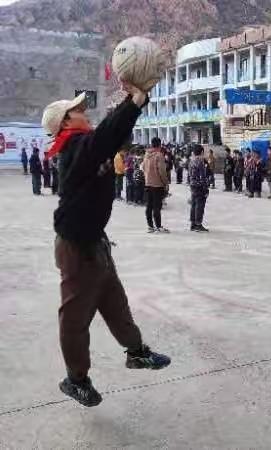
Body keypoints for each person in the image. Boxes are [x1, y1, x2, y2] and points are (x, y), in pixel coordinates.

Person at [41, 86, 171, 407]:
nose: (85, 112)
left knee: (115, 303)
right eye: (78, 110)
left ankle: (137, 353)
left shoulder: (87, 145)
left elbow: (113, 137)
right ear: (66, 122)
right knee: (74, 317)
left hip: (95, 240)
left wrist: (131, 103)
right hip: (76, 245)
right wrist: (134, 101)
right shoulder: (73, 147)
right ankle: (76, 380)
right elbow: (104, 139)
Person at [143, 137, 170, 233]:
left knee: (149, 205)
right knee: (157, 206)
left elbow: (143, 167)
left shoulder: (146, 154)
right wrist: (165, 183)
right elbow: (162, 171)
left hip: (148, 183)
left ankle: (150, 226)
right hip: (157, 184)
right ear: (160, 145)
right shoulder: (159, 155)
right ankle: (158, 226)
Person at [189, 144, 209, 232]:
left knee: (193, 205)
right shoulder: (200, 162)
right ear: (201, 152)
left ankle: (193, 223)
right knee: (200, 205)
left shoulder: (191, 161)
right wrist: (206, 188)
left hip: (193, 185)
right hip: (199, 186)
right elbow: (202, 176)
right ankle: (198, 224)